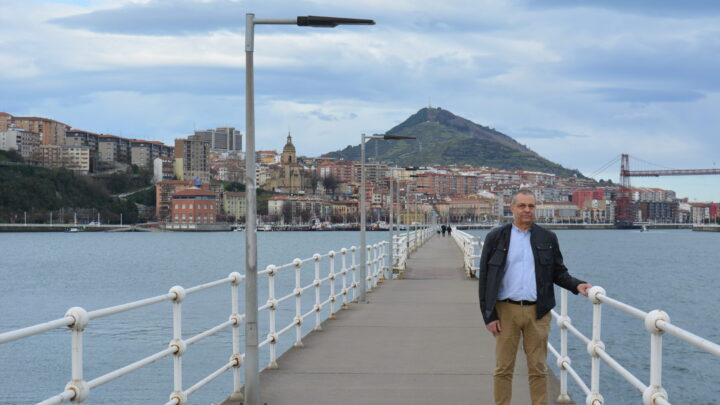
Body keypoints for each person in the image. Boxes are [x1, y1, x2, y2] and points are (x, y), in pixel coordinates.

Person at [478, 190, 592, 405]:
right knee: (503, 368)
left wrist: (577, 285)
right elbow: (485, 278)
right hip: (505, 310)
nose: (527, 210)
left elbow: (558, 272)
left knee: (538, 368)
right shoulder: (496, 237)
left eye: (531, 206)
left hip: (538, 312)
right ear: (512, 208)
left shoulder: (547, 238)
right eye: (522, 206)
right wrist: (488, 315)